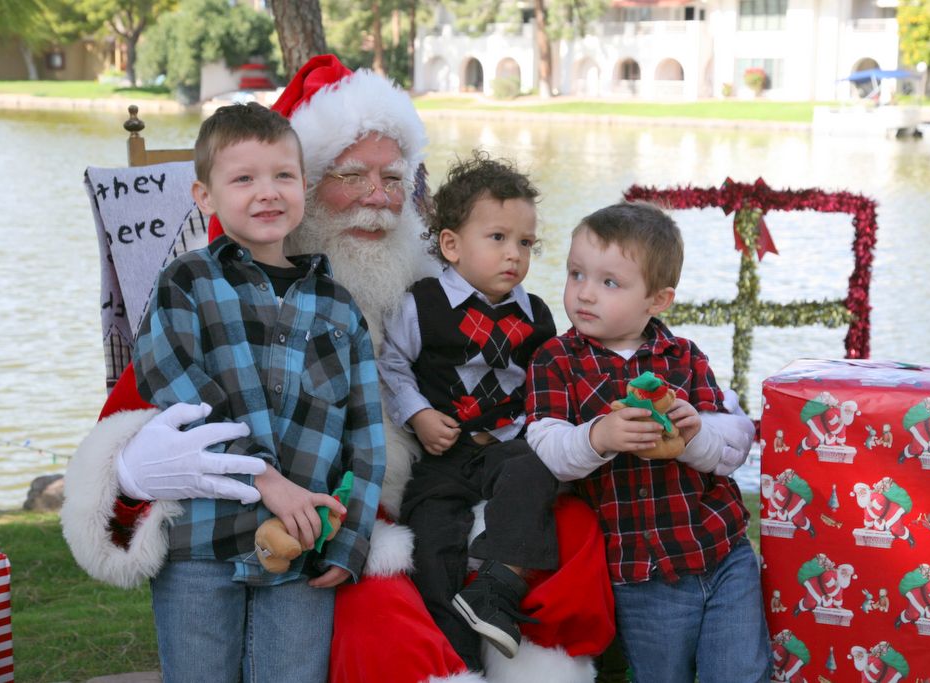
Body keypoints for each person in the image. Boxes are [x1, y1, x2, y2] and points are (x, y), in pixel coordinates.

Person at [63, 54, 638, 682]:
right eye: (351, 175)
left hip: (422, 491)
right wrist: (132, 462)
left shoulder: (430, 283)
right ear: (307, 187)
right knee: (384, 627)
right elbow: (139, 413)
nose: (376, 198)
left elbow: (388, 414)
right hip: (297, 521)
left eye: (393, 178)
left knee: (571, 532)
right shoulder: (200, 286)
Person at [126, 101, 382, 681]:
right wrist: (267, 480)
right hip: (201, 541)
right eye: (243, 178)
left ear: (304, 187)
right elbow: (175, 389)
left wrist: (351, 542)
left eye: (282, 176)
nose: (267, 192)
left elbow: (365, 436)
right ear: (205, 197)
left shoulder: (338, 308)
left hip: (304, 545)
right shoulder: (187, 283)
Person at [525, 201, 770, 683]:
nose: (584, 294)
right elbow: (546, 449)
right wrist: (598, 437)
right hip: (641, 573)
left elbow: (736, 440)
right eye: (576, 274)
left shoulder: (683, 357)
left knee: (741, 672)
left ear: (657, 300)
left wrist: (694, 434)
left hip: (723, 553)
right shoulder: (556, 360)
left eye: (609, 282)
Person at [378, 153, 559, 667]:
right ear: (452, 245)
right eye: (498, 238)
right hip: (445, 452)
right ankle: (460, 663)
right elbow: (391, 364)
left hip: (508, 447)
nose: (514, 255)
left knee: (535, 473)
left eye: (525, 242)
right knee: (431, 540)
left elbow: (543, 384)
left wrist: (530, 428)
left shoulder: (537, 316)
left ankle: (497, 587)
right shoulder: (423, 303)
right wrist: (417, 414)